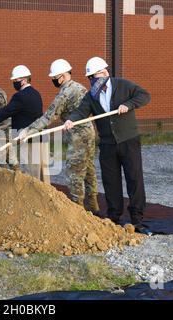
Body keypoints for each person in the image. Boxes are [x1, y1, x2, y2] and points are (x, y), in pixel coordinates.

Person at [64, 57, 152, 235]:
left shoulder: (123, 85)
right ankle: (114, 216)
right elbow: (82, 110)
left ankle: (137, 218)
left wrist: (128, 104)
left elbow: (144, 96)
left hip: (128, 140)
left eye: (94, 77)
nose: (92, 81)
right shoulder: (92, 95)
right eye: (90, 78)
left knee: (134, 178)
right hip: (107, 144)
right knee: (111, 181)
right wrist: (71, 120)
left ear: (104, 73)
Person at [18, 59, 99, 213]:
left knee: (74, 171)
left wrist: (28, 130)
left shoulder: (65, 93)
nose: (53, 80)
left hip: (78, 136)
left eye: (54, 78)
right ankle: (93, 204)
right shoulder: (80, 87)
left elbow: (48, 116)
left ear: (61, 76)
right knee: (88, 167)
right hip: (89, 131)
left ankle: (77, 208)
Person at [0, 65, 43, 178]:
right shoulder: (36, 93)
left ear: (24, 80)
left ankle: (30, 194)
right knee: (38, 172)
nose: (14, 83)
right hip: (38, 136)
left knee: (30, 174)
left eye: (16, 80)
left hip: (26, 138)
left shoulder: (20, 96)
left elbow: (6, 111)